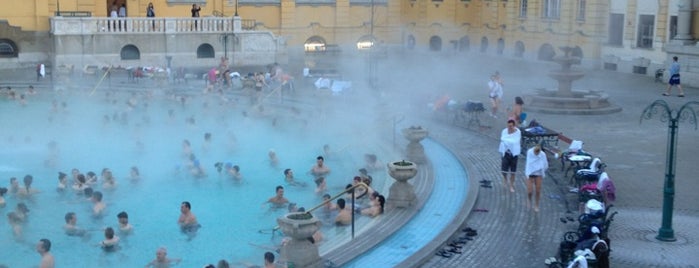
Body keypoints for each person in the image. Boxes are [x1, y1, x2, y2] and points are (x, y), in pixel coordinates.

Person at [499, 119, 521, 193]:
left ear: (514, 126)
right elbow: (502, 139)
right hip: (506, 153)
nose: (509, 127)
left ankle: (511, 185)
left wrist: (507, 141)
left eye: (511, 126)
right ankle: (505, 179)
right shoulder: (504, 131)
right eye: (508, 126)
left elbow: (515, 141)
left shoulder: (518, 132)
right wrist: (508, 141)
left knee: (513, 172)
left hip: (514, 154)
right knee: (503, 171)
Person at [525, 143, 548, 212]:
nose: (537, 154)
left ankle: (536, 204)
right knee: (530, 191)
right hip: (530, 173)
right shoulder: (529, 152)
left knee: (538, 190)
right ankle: (529, 200)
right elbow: (529, 163)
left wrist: (542, 170)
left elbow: (545, 164)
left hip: (539, 173)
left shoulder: (543, 154)